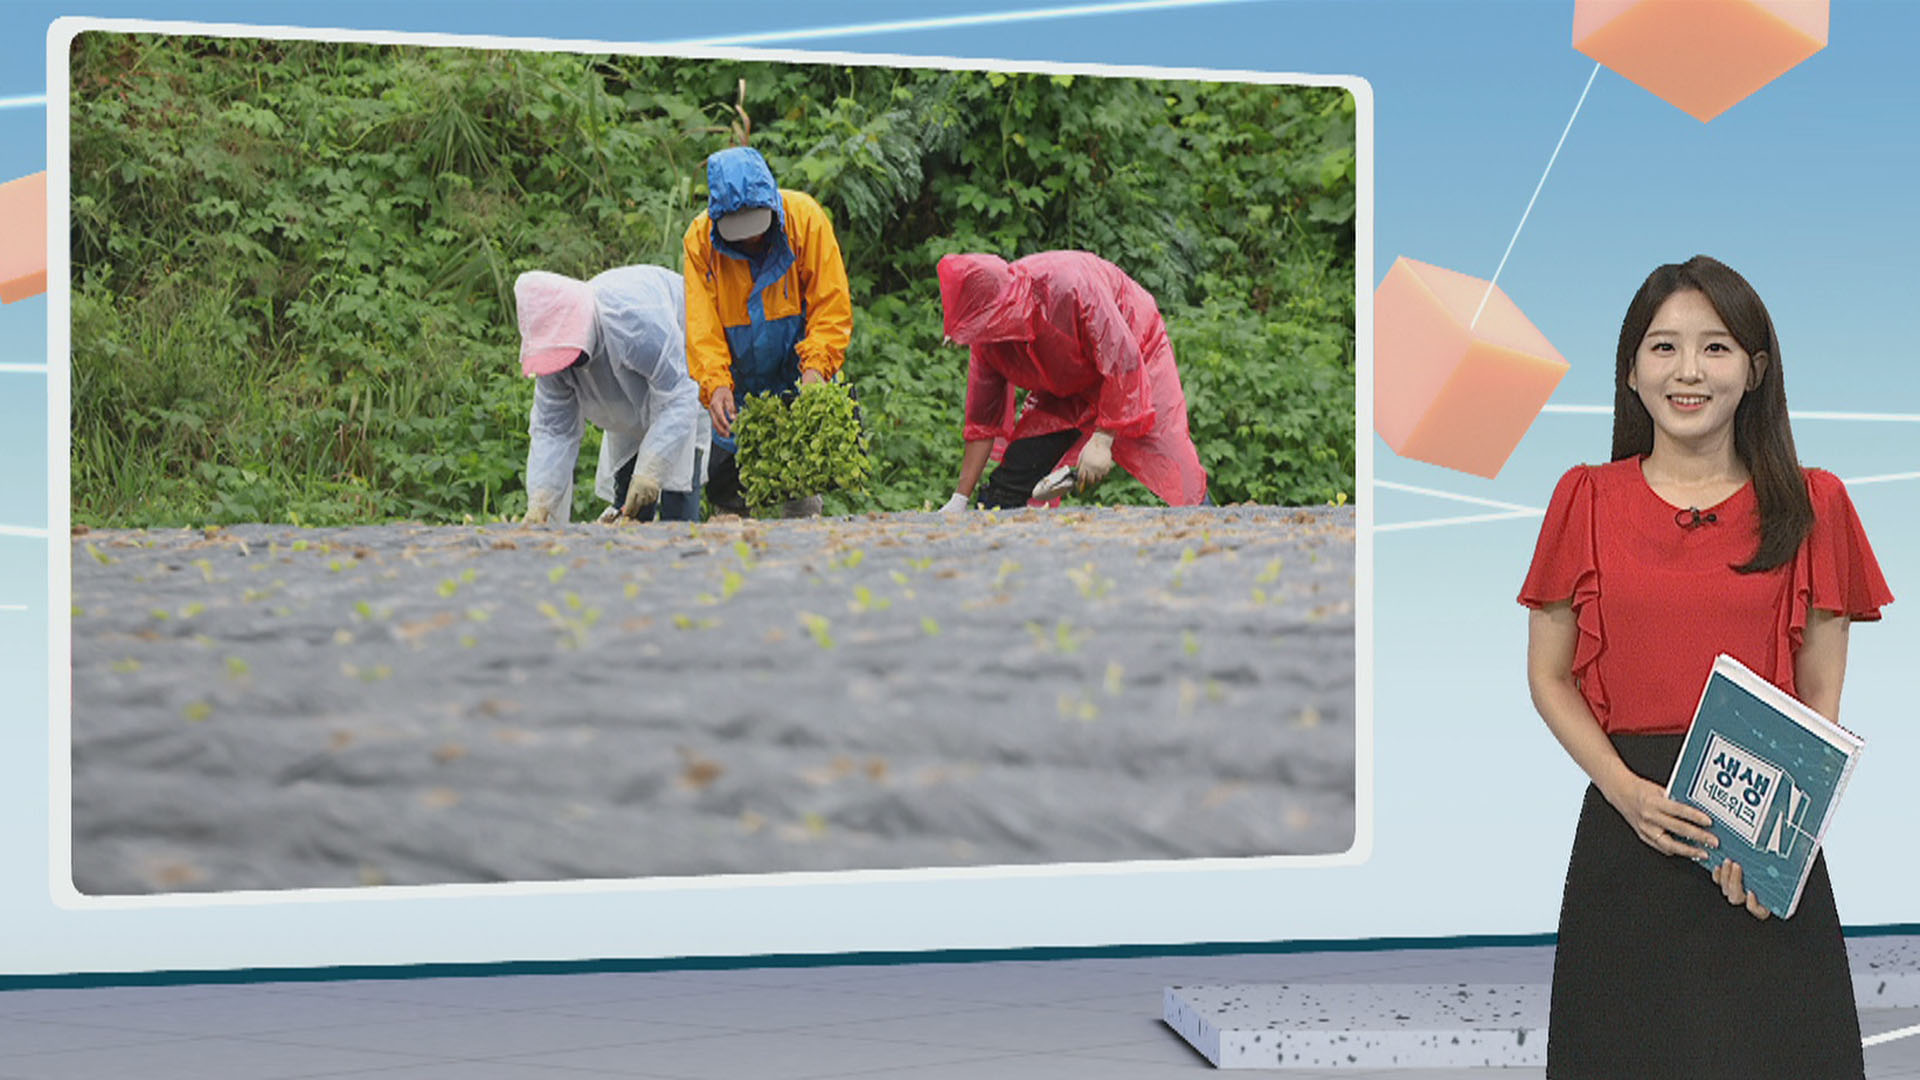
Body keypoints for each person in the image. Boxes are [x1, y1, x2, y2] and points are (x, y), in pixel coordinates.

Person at [1518, 256, 1891, 1078]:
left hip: (1761, 834)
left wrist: (1774, 846)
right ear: (1630, 370)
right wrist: (1628, 794)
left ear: (1755, 370)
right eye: (1664, 348)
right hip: (1630, 829)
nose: (1688, 371)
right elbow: (1549, 676)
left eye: (1716, 348)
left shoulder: (1814, 502)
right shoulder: (1583, 497)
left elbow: (1819, 692)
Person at [933, 251, 1209, 511]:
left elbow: (1122, 359)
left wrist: (1102, 439)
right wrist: (960, 499)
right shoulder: (986, 342)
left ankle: (1211, 532)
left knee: (1175, 467)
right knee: (1011, 482)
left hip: (1136, 360)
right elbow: (982, 423)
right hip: (1063, 387)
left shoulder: (1070, 287)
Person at [683, 146, 853, 518]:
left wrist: (815, 369)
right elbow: (702, 327)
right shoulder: (700, 240)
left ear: (773, 206)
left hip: (798, 376)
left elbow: (831, 305)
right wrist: (716, 384)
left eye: (756, 227)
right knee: (728, 497)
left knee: (801, 496)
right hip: (738, 387)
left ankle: (804, 562)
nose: (749, 239)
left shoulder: (805, 220)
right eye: (738, 232)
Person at [513, 266, 709, 525]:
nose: (567, 368)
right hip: (625, 406)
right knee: (628, 507)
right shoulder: (551, 362)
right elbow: (553, 431)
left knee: (677, 500)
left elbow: (678, 395)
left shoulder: (635, 320)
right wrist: (541, 499)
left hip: (682, 384)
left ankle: (683, 559)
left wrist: (652, 470)